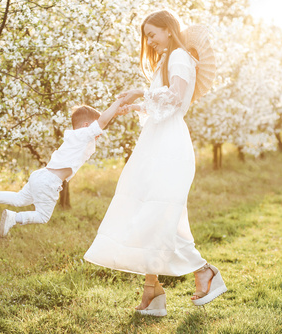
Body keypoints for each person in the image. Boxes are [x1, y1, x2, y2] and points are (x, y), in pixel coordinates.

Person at [83, 9, 227, 316]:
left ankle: (205, 272)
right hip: (158, 139)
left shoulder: (179, 57)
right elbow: (164, 100)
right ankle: (153, 293)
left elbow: (173, 98)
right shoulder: (169, 59)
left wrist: (140, 93)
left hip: (169, 144)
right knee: (146, 211)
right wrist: (137, 101)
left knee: (158, 214)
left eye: (152, 34)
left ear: (169, 29)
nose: (149, 42)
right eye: (146, 37)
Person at [0, 98, 124, 237]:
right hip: (50, 182)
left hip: (41, 175)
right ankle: (13, 217)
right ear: (86, 125)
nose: (100, 133)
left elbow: (102, 121)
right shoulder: (83, 135)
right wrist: (117, 102)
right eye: (97, 128)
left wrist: (116, 112)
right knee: (43, 216)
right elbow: (102, 121)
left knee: (20, 198)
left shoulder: (74, 137)